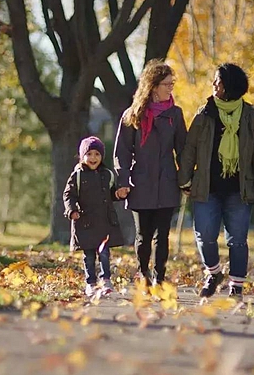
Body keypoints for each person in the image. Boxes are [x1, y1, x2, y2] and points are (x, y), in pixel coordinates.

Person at [178, 63, 254, 300]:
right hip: (206, 187)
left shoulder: (250, 116)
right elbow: (190, 149)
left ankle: (236, 286)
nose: (213, 85)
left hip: (239, 190)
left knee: (238, 240)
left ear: (229, 86)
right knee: (204, 235)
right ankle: (213, 273)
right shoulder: (204, 113)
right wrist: (184, 180)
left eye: (218, 82)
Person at [113, 59, 187, 287]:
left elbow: (183, 151)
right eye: (166, 84)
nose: (170, 88)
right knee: (143, 237)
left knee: (162, 236)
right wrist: (123, 182)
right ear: (153, 86)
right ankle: (143, 272)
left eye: (172, 83)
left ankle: (159, 278)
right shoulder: (132, 115)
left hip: (166, 183)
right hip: (141, 183)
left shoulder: (175, 114)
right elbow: (122, 152)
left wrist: (186, 180)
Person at [63, 136, 125, 297]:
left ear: (102, 156)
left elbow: (111, 194)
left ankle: (106, 280)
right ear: (82, 156)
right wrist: (72, 210)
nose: (93, 158)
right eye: (89, 154)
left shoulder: (107, 174)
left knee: (104, 253)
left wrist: (118, 194)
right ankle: (90, 283)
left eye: (97, 154)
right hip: (85, 221)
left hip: (104, 221)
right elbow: (68, 195)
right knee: (89, 255)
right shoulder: (77, 175)